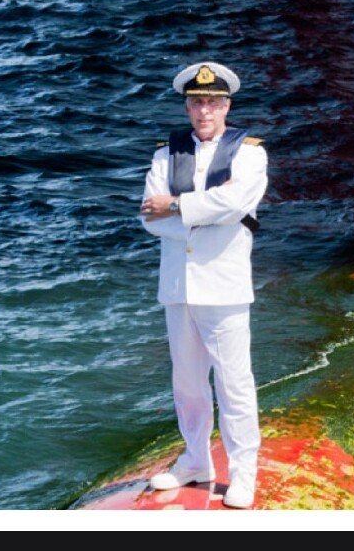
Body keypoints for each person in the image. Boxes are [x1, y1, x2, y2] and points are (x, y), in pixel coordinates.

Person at [139, 60, 267, 509]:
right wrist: (200, 213)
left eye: (212, 102)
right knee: (188, 382)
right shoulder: (165, 154)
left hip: (226, 285)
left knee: (234, 382)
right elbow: (148, 219)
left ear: (226, 105)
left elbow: (235, 205)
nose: (204, 111)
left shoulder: (249, 153)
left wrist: (175, 206)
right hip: (179, 285)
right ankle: (195, 458)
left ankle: (244, 471)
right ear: (187, 106)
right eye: (196, 102)